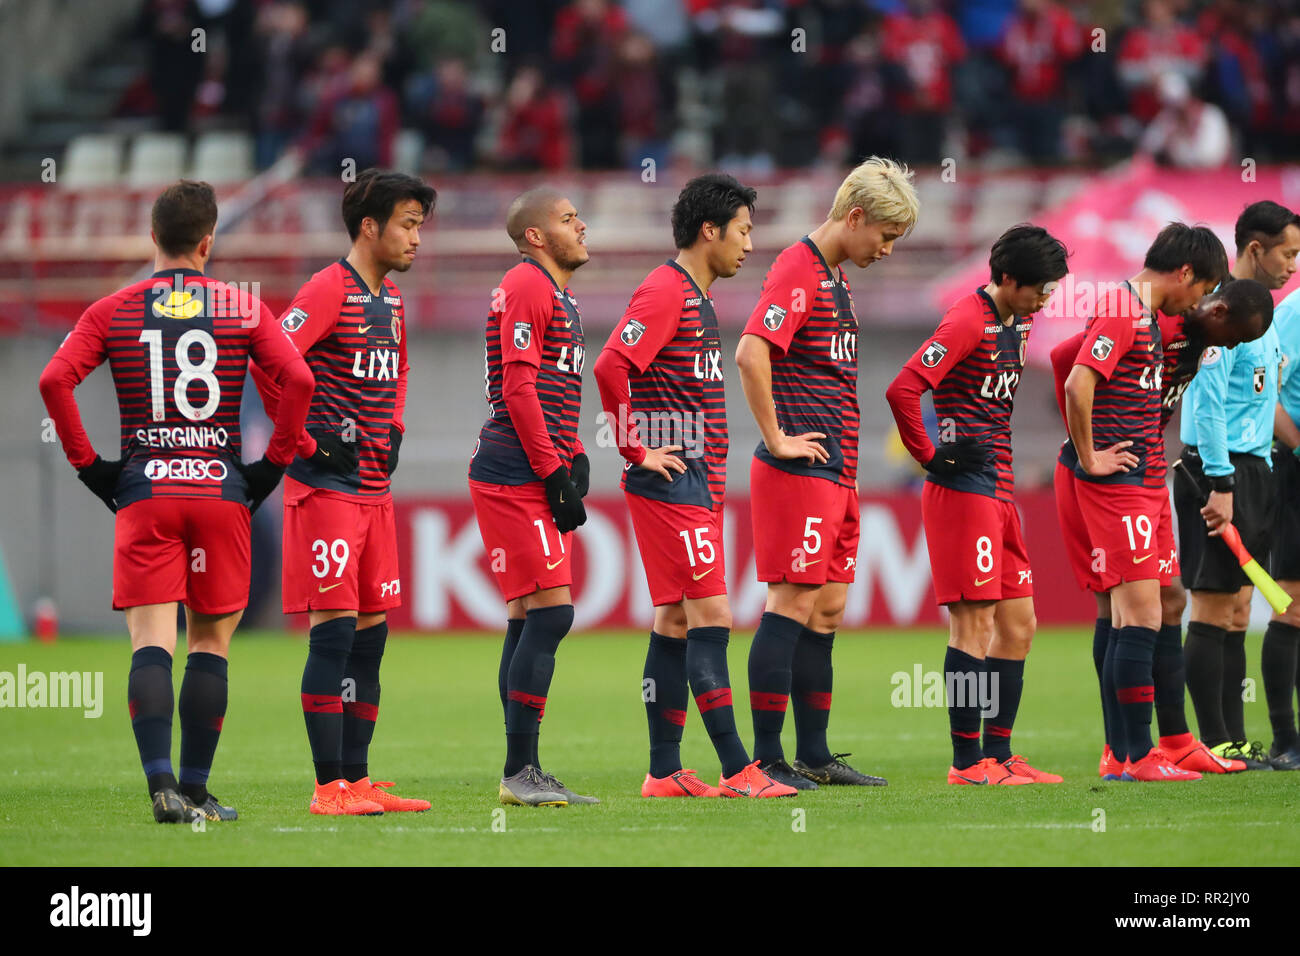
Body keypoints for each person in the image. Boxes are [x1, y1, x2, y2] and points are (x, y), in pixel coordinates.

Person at [38, 180, 315, 822]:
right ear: (209, 241)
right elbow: (297, 378)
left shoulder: (113, 309)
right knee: (210, 644)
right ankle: (196, 787)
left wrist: (92, 469)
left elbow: (54, 380)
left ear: (153, 237)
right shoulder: (240, 308)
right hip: (221, 491)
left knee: (150, 641)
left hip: (147, 491)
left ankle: (161, 786)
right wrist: (271, 467)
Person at [593, 173, 794, 799]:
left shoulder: (697, 300)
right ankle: (738, 768)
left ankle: (664, 771)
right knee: (712, 615)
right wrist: (634, 448)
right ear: (710, 231)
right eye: (743, 231)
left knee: (676, 621)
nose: (750, 245)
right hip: (671, 484)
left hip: (692, 484)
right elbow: (609, 365)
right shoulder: (665, 290)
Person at [252, 168, 436, 816]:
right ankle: (325, 786)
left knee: (372, 636)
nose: (417, 239)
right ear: (369, 226)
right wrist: (305, 443)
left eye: (420, 226)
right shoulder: (329, 287)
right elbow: (269, 357)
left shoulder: (392, 300)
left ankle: (356, 780)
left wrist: (397, 426)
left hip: (373, 488)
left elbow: (402, 366)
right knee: (332, 635)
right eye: (409, 225)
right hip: (326, 488)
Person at [735, 156, 918, 789]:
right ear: (856, 216)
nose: (888, 251)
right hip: (800, 472)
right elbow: (750, 352)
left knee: (828, 608)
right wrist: (777, 438)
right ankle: (765, 758)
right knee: (791, 601)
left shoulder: (833, 280)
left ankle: (814, 753)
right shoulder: (797, 269)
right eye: (886, 237)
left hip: (838, 474)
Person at [1052, 278, 1275, 778]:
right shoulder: (1156, 318)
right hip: (1111, 477)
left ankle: (1172, 742)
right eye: (1234, 336)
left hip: (1146, 474)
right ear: (1212, 306)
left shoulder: (1194, 333)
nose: (1231, 347)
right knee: (1132, 608)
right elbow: (1066, 361)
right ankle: (1128, 752)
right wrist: (1086, 449)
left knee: (1165, 601)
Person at [886, 224, 1068, 785]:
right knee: (974, 627)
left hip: (999, 491)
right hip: (964, 494)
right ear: (1008, 278)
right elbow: (903, 387)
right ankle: (967, 763)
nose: (1046, 298)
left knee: (1019, 625)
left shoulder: (1018, 320)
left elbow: (1062, 354)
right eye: (1039, 287)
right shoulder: (967, 319)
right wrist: (929, 456)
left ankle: (1001, 754)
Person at [468, 187, 596, 807]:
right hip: (512, 473)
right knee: (553, 612)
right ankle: (520, 770)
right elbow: (517, 389)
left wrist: (570, 456)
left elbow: (544, 391)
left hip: (531, 468)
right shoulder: (525, 284)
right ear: (538, 236)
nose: (582, 226)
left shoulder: (557, 294)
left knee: (528, 616)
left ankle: (525, 769)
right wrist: (552, 472)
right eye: (570, 219)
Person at [1177, 201, 1300, 770]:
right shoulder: (1221, 314)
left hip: (1256, 470)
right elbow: (1204, 407)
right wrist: (1221, 482)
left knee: (1237, 608)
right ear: (1256, 248)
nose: (1292, 265)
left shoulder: (1262, 314)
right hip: (1217, 471)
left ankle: (1233, 739)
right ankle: (1214, 740)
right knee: (1210, 604)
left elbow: (1263, 398)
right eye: (1287, 253)